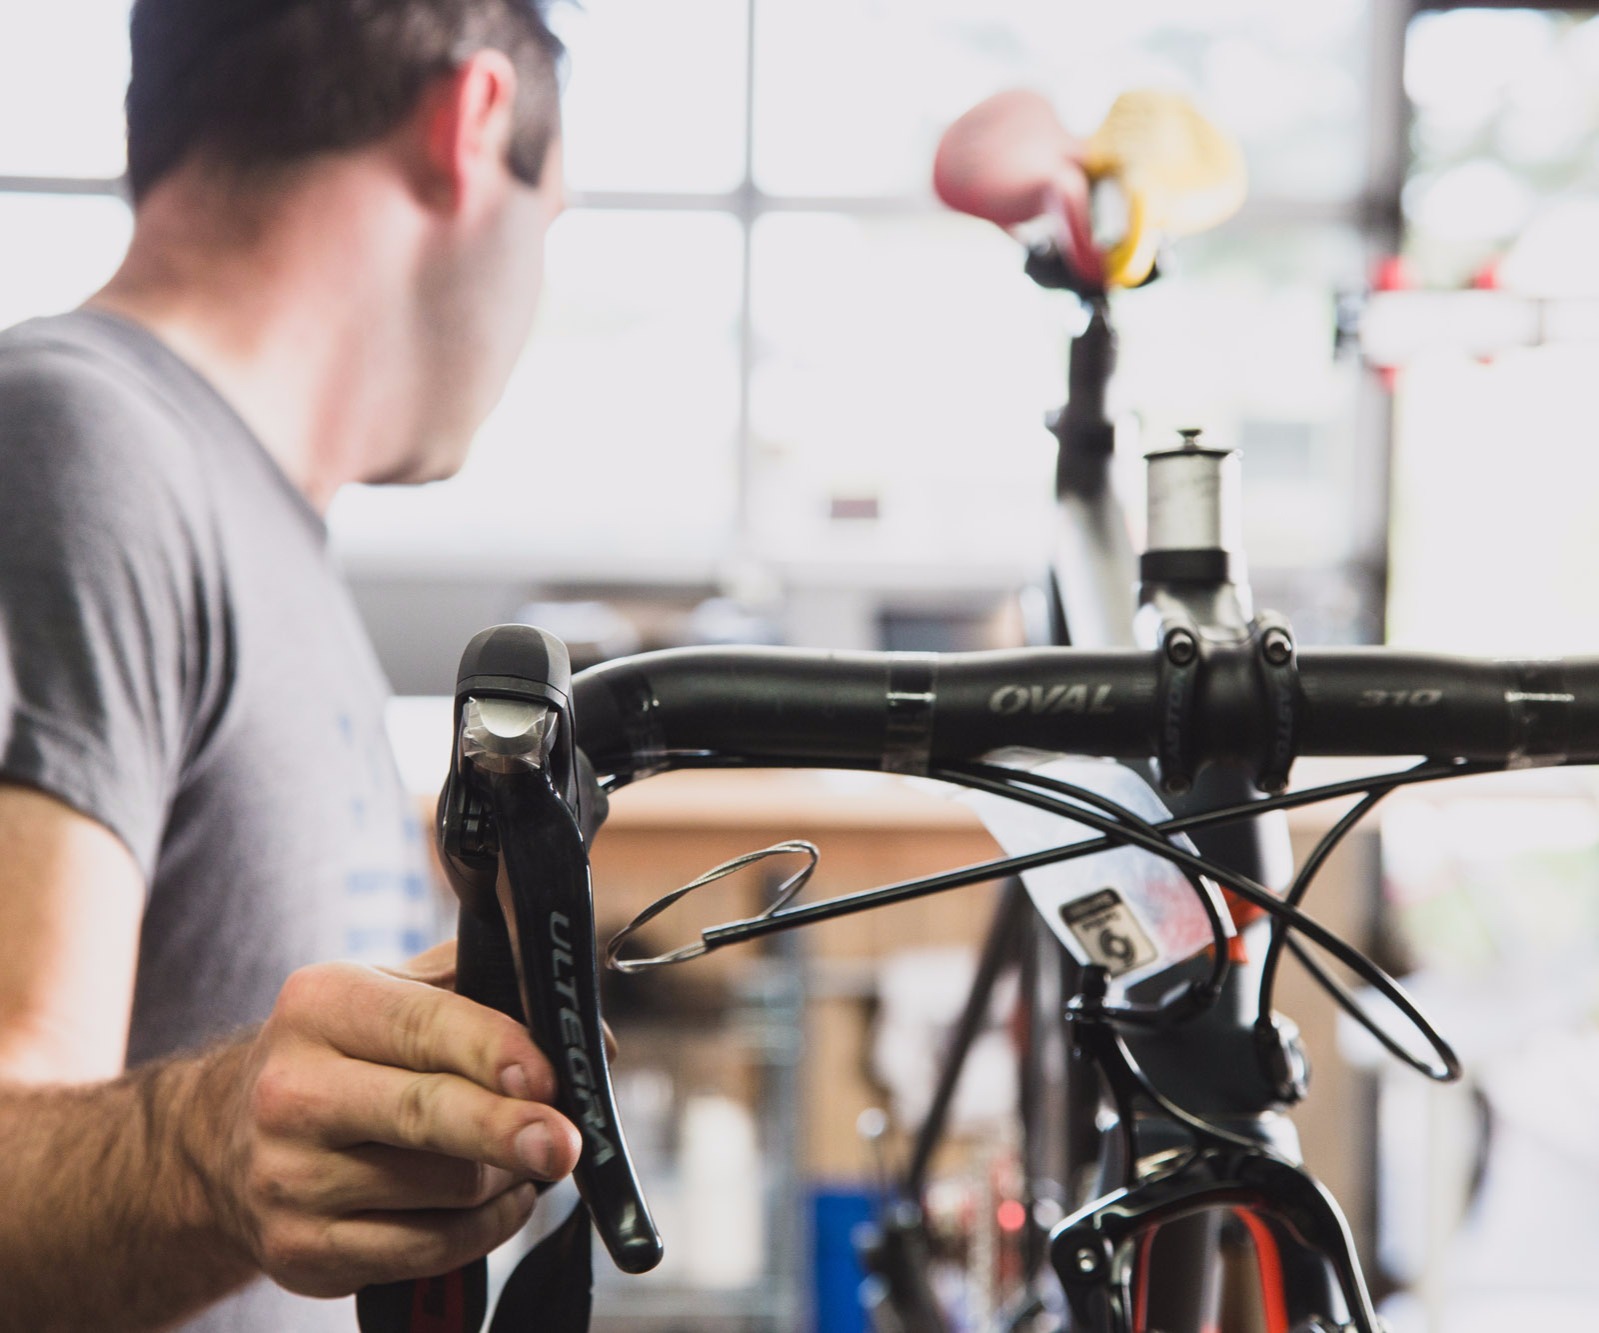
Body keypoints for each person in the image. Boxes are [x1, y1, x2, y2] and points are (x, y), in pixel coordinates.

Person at [0, 2, 581, 1329]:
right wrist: (212, 1146)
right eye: (555, 224)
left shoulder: (259, 519)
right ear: (471, 122)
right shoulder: (78, 446)